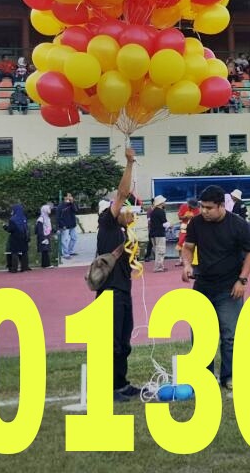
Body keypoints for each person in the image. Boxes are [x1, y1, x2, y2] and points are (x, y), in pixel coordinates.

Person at [182, 185, 250, 397]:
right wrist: (187, 264)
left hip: (229, 288)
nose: (204, 211)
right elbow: (188, 247)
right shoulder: (196, 223)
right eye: (202, 207)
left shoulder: (238, 224)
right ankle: (203, 378)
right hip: (203, 286)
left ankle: (229, 376)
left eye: (209, 208)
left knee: (230, 335)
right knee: (201, 335)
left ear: (221, 206)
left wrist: (242, 280)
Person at [96, 146, 140, 402]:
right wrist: (130, 163)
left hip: (123, 291)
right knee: (111, 342)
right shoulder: (107, 222)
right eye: (125, 209)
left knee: (123, 342)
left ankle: (120, 384)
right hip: (111, 294)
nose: (129, 211)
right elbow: (122, 193)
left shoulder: (121, 232)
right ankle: (107, 388)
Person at [4, 203, 31, 273]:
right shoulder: (24, 218)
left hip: (15, 238)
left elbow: (10, 229)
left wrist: (5, 227)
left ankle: (14, 268)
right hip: (24, 237)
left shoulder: (12, 219)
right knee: (24, 252)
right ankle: (24, 267)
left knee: (14, 253)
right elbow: (26, 228)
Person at [148, 195, 169, 272]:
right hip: (159, 233)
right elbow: (164, 223)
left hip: (152, 233)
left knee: (156, 250)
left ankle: (159, 266)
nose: (165, 203)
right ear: (161, 203)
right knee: (161, 251)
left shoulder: (153, 211)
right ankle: (158, 267)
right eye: (164, 202)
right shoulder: (161, 211)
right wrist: (170, 225)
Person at [36, 202, 55, 268]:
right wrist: (43, 238)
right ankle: (47, 264)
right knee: (45, 250)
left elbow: (49, 227)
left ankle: (44, 264)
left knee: (45, 250)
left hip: (46, 235)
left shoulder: (47, 218)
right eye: (48, 209)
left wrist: (53, 231)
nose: (49, 210)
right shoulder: (41, 219)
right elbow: (39, 229)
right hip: (43, 236)